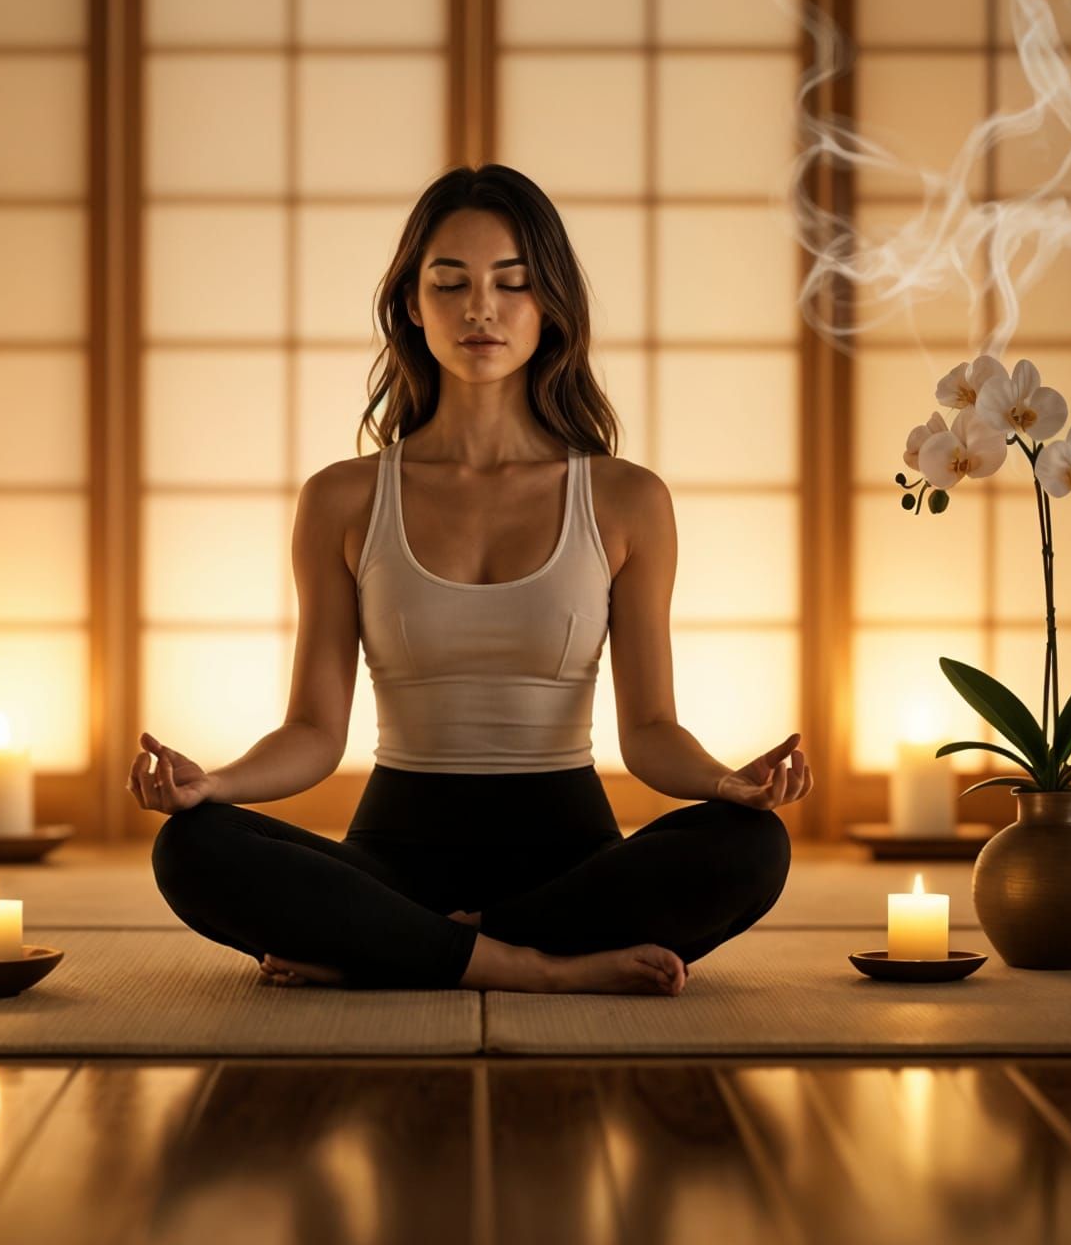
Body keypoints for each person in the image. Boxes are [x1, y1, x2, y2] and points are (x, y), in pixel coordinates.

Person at [130, 164, 812, 995]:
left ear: (548, 306)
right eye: (449, 283)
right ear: (412, 307)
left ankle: (396, 953)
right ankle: (529, 966)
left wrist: (727, 782)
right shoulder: (343, 498)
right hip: (394, 860)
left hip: (570, 865)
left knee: (751, 845)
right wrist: (214, 784)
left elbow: (652, 729)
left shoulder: (626, 498)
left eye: (512, 283)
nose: (480, 309)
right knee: (192, 846)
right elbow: (313, 729)